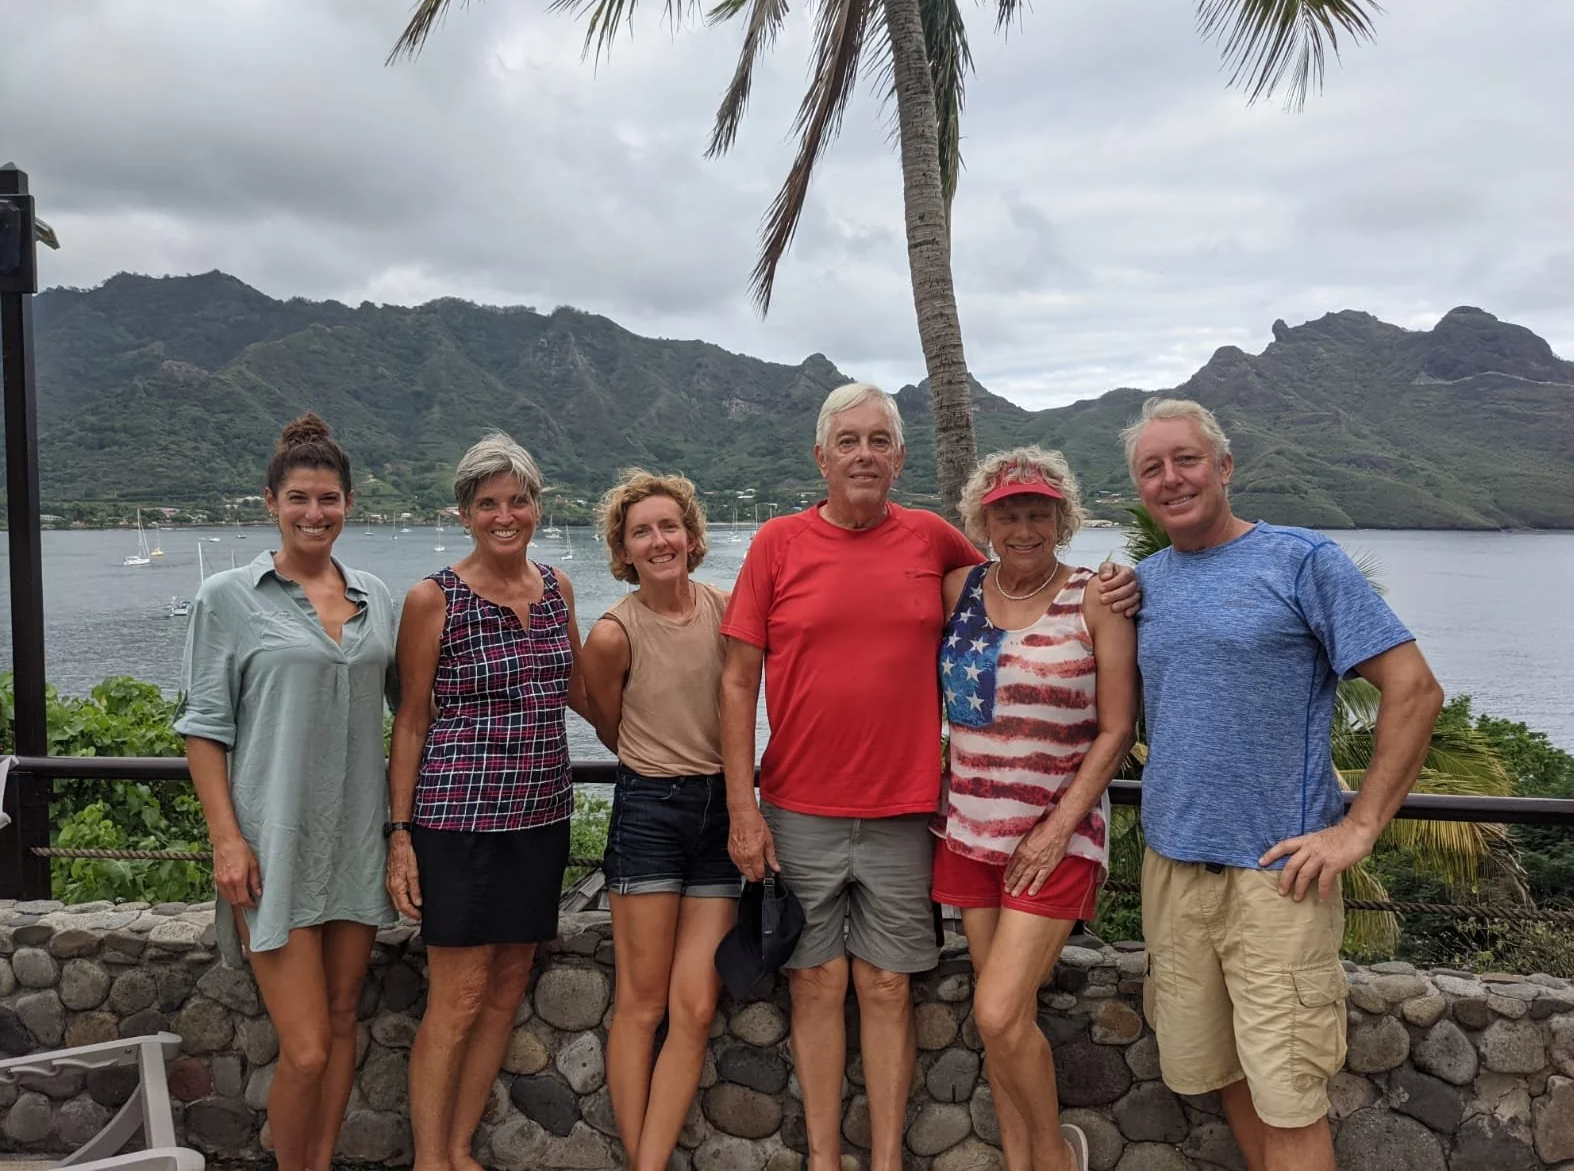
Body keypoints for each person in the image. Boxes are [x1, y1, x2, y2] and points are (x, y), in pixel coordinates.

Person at [720, 383, 1140, 1171]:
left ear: (900, 456)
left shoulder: (933, 543)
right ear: (821, 456)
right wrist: (742, 806)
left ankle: (888, 1161)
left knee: (890, 989)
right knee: (815, 987)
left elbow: (1034, 592)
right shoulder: (779, 543)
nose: (864, 454)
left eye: (879, 440)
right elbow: (738, 678)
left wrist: (1122, 583)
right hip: (809, 807)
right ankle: (821, 1157)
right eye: (848, 441)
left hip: (911, 812)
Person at [1125, 398, 1443, 1171]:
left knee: (1291, 1098)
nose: (1172, 479)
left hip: (1277, 880)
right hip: (1175, 869)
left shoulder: (1302, 563)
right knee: (1224, 1073)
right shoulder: (1140, 587)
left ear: (1225, 467)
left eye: (1187, 460)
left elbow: (1414, 689)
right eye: (1152, 468)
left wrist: (1358, 828)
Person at [177, 413, 397, 1171]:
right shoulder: (228, 597)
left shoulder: (376, 597)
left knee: (342, 1022)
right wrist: (227, 840)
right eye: (299, 497)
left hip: (355, 844)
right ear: (270, 500)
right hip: (271, 848)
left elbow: (418, 710)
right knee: (304, 1049)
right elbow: (203, 727)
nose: (315, 513)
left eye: (329, 498)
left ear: (349, 503)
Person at [384, 433, 587, 1171]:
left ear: (537, 505)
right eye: (488, 504)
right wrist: (400, 836)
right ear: (465, 514)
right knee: (460, 998)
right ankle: (428, 1160)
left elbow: (577, 690)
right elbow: (411, 720)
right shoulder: (433, 598)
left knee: (505, 989)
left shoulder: (558, 588)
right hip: (459, 822)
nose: (506, 516)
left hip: (542, 816)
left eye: (519, 500)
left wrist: (669, 740)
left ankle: (459, 1148)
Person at [934, 448, 1137, 1171]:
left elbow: (1117, 729)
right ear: (983, 519)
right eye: (1007, 512)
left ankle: (1054, 1159)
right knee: (1003, 1023)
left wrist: (1057, 830)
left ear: (1062, 517)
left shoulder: (1096, 598)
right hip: (967, 832)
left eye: (1037, 512)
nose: (1023, 526)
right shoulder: (959, 585)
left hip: (1057, 838)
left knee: (995, 1010)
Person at [580, 469, 743, 1171]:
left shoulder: (726, 610)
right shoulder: (616, 632)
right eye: (641, 531)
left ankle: (648, 1161)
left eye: (669, 526)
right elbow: (607, 722)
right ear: (623, 548)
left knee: (696, 1007)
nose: (659, 540)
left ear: (691, 534)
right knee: (643, 1006)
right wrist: (656, 759)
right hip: (648, 811)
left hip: (720, 814)